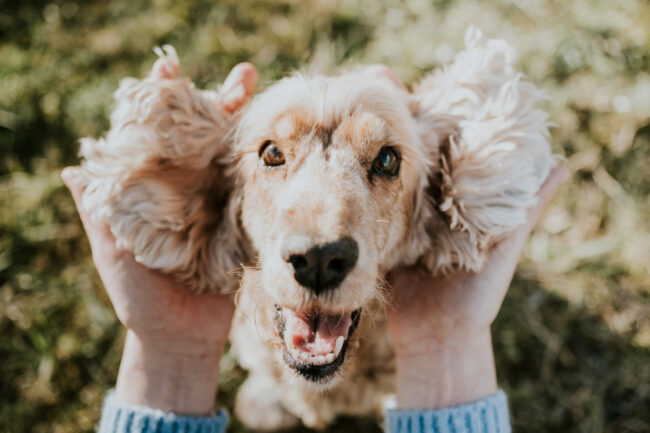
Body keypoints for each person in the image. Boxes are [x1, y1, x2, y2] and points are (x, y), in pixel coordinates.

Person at [60, 63, 570, 433]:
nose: (320, 240)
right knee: (266, 382)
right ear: (229, 200)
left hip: (399, 338)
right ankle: (272, 382)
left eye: (386, 163)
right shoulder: (236, 249)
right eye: (274, 155)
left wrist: (441, 349)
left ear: (423, 212)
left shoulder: (425, 233)